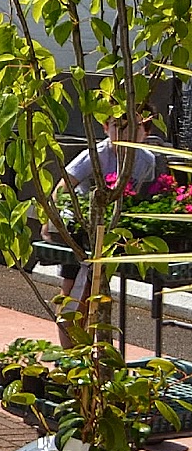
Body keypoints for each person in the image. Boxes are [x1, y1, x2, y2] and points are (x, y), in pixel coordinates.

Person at [46, 115, 160, 340]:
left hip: (115, 230)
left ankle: (96, 355)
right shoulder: (96, 155)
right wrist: (54, 222)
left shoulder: (147, 160)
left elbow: (145, 197)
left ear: (145, 132)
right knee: (75, 291)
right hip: (82, 229)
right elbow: (63, 188)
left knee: (100, 295)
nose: (125, 134)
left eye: (134, 128)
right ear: (106, 128)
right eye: (118, 127)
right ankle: (70, 352)